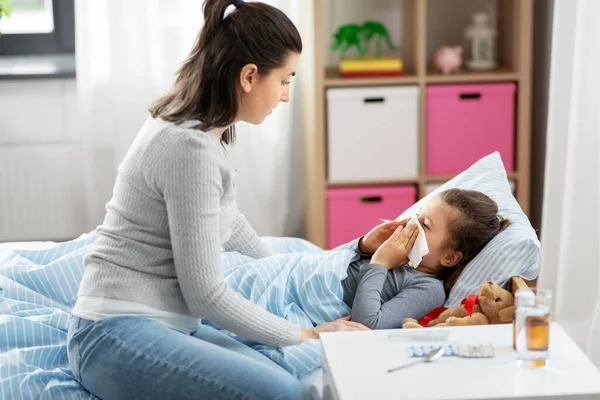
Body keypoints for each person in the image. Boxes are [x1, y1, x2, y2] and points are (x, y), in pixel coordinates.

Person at [66, 1, 368, 399]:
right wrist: (306, 334)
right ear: (248, 76)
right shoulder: (190, 149)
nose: (285, 97)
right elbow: (206, 294)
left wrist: (286, 274)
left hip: (157, 322)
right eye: (284, 80)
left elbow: (227, 219)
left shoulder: (195, 126)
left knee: (296, 380)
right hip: (112, 332)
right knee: (286, 394)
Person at [337, 188, 511, 329]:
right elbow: (331, 261)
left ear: (449, 257)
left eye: (425, 225)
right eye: (418, 214)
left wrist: (379, 263)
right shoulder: (398, 257)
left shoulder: (428, 289)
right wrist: (363, 245)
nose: (412, 223)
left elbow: (366, 325)